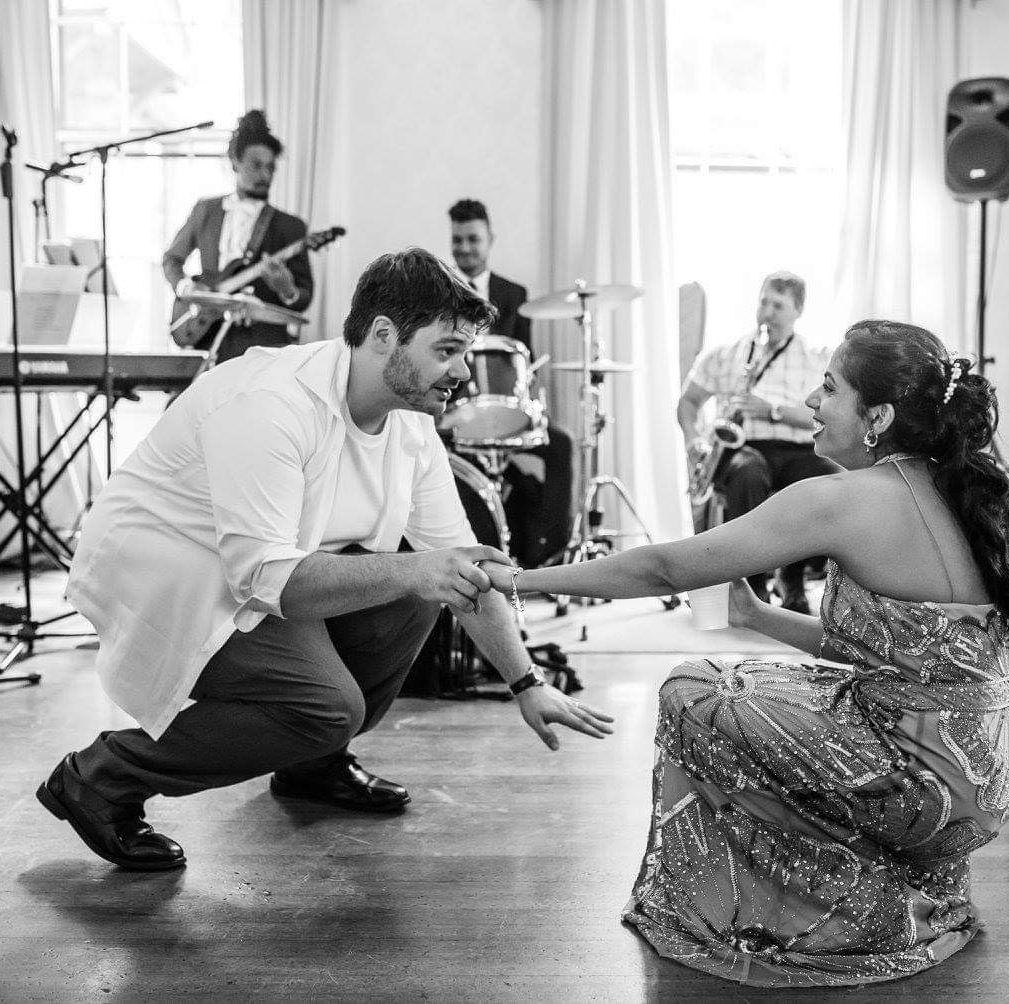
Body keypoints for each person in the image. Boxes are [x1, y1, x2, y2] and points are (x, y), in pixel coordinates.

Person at [483, 320, 1009, 987]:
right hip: (989, 777)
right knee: (760, 681)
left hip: (926, 782)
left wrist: (519, 579)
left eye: (830, 388)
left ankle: (806, 907)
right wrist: (753, 615)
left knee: (696, 689)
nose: (810, 401)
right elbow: (897, 654)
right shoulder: (961, 488)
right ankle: (891, 883)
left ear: (879, 417)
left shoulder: (840, 499)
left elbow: (662, 569)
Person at [37, 248, 613, 872]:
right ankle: (102, 777)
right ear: (383, 335)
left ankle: (312, 763)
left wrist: (527, 683)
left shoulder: (411, 424)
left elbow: (462, 567)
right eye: (447, 351)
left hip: (261, 573)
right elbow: (267, 579)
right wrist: (420, 570)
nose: (463, 372)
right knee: (330, 703)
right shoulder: (271, 402)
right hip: (169, 573)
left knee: (420, 594)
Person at [677, 271, 838, 612]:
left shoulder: (817, 358)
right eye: (764, 302)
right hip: (742, 448)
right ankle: (753, 585)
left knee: (826, 476)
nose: (767, 313)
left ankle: (792, 578)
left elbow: (827, 414)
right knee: (748, 474)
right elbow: (688, 402)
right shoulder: (726, 354)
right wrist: (693, 441)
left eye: (778, 306)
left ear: (798, 311)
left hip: (797, 448)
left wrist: (774, 412)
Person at [447, 198, 573, 567]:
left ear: (490, 240)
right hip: (456, 415)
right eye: (457, 240)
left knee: (561, 445)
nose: (464, 248)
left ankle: (548, 553)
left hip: (508, 411)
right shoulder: (440, 292)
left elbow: (524, 361)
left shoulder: (514, 294)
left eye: (473, 239)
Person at [163, 110, 313, 365]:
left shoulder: (291, 227)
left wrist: (287, 289)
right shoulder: (205, 210)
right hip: (206, 340)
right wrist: (187, 288)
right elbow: (171, 260)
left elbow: (304, 296)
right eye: (256, 165)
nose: (265, 175)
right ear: (235, 162)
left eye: (271, 168)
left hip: (263, 349)